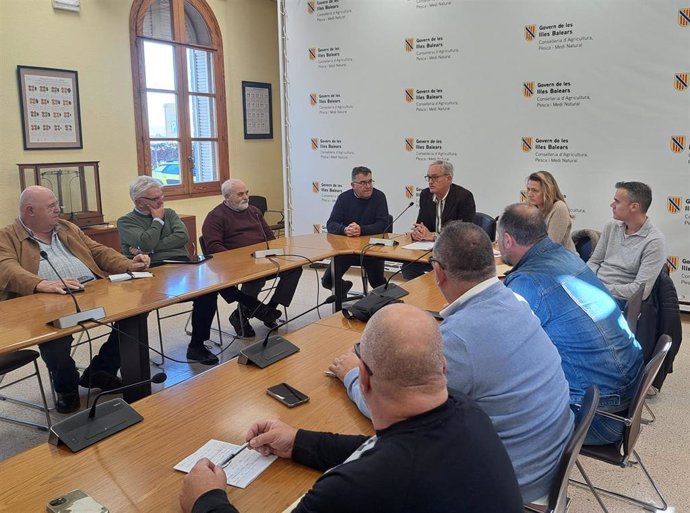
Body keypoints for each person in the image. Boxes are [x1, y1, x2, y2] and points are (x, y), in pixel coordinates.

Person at [180, 304, 524, 513]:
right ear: (443, 369)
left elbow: (380, 464)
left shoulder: (349, 490)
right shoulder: (468, 411)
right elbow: (378, 449)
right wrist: (297, 441)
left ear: (364, 379)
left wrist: (207, 499)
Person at [329, 221, 573, 504]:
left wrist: (350, 374)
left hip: (514, 484)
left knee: (367, 479)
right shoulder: (514, 299)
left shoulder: (458, 339)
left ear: (438, 271)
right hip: (548, 461)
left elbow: (395, 411)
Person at [498, 203, 644, 445]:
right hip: (624, 397)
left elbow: (504, 353)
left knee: (483, 408)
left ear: (507, 239)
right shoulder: (565, 256)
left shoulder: (527, 282)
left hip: (598, 417)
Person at [0, 186, 151, 413]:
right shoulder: (7, 236)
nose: (57, 210)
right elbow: (7, 268)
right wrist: (41, 284)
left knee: (138, 310)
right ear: (30, 211)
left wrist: (128, 263)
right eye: (51, 206)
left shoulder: (67, 227)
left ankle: (101, 371)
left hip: (91, 291)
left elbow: (97, 251)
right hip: (45, 301)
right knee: (55, 338)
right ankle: (66, 387)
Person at [117, 177, 280, 365]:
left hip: (182, 265)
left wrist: (150, 247)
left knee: (208, 290)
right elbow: (146, 242)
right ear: (139, 202)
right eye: (155, 199)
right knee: (210, 288)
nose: (161, 201)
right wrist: (157, 222)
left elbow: (182, 236)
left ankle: (196, 346)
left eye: (162, 195)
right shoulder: (126, 222)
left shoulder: (169, 213)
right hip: (151, 271)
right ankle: (255, 306)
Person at [202, 179, 302, 338]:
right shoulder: (215, 216)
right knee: (255, 277)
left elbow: (270, 237)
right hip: (235, 265)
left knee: (294, 269)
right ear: (227, 197)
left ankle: (270, 308)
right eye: (240, 194)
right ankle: (241, 317)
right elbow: (213, 247)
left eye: (247, 193)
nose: (246, 197)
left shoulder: (254, 211)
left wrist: (277, 251)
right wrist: (240, 260)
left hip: (261, 259)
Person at [587, 181, 666, 302]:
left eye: (617, 201)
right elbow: (594, 261)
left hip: (619, 300)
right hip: (594, 291)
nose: (612, 205)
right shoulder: (611, 227)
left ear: (634, 206)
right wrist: (588, 282)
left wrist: (601, 288)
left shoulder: (654, 241)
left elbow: (641, 291)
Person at [322, 166, 390, 297]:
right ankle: (343, 292)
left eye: (370, 181)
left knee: (377, 283)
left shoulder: (379, 197)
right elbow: (331, 224)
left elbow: (383, 225)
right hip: (347, 250)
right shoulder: (343, 198)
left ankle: (388, 306)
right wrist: (345, 229)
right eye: (363, 183)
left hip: (372, 251)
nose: (368, 186)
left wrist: (361, 230)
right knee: (328, 281)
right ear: (353, 185)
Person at [403, 160, 475, 279]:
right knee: (408, 267)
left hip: (454, 253)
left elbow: (463, 233)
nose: (431, 181)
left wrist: (433, 236)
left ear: (449, 179)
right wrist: (417, 233)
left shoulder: (464, 197)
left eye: (435, 177)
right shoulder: (425, 195)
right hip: (430, 251)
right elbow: (421, 224)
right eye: (429, 177)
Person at [525, 171, 576, 252]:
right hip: (539, 258)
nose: (529, 194)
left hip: (562, 261)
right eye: (528, 189)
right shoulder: (530, 207)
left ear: (547, 192)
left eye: (535, 190)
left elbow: (548, 248)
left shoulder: (559, 207)